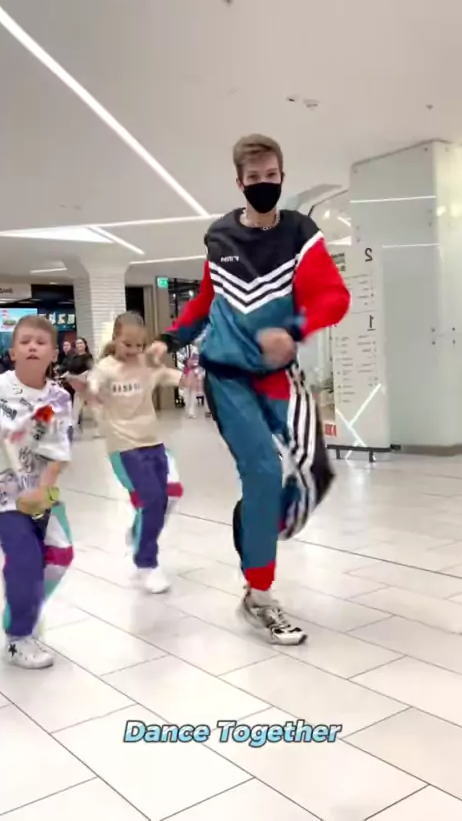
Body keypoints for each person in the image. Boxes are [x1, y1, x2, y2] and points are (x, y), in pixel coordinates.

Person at [149, 134, 350, 645]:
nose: (264, 184)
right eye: (254, 178)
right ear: (240, 183)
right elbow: (207, 301)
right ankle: (259, 595)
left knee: (315, 471)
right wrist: (170, 339)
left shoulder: (301, 234)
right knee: (262, 470)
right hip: (226, 375)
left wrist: (295, 330)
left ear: (283, 176)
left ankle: (255, 524)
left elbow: (334, 296)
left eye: (271, 176)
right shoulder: (219, 237)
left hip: (280, 374)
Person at [70, 313, 183, 594]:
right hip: (123, 446)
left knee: (165, 499)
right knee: (152, 499)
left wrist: (196, 381)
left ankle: (137, 532)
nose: (133, 351)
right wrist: (89, 393)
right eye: (127, 344)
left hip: (153, 441)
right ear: (115, 340)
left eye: (138, 345)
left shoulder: (145, 363)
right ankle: (147, 564)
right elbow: (93, 389)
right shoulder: (105, 368)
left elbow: (170, 376)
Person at [0, 316, 74, 668]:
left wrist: (43, 490)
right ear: (12, 352)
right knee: (25, 558)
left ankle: (24, 605)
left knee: (59, 556)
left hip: (38, 490)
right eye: (24, 341)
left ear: (53, 354)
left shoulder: (58, 399)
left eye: (40, 343)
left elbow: (58, 453)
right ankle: (18, 637)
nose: (32, 347)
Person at [66, 337, 93, 430]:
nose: (79, 345)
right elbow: (70, 369)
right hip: (75, 382)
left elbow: (90, 370)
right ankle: (75, 421)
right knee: (78, 401)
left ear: (85, 345)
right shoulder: (74, 357)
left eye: (81, 343)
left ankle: (76, 421)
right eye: (77, 343)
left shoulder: (88, 356)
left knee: (81, 401)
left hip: (84, 381)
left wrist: (79, 377)